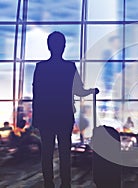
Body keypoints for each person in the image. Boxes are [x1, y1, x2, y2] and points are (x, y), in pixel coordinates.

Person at [32, 31, 99, 188]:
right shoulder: (69, 67)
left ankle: (48, 183)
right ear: (64, 46)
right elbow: (78, 91)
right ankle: (66, 183)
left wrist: (35, 117)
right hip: (64, 116)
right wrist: (91, 91)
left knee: (47, 153)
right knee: (64, 153)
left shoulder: (41, 68)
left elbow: (37, 93)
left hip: (46, 116)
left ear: (49, 46)